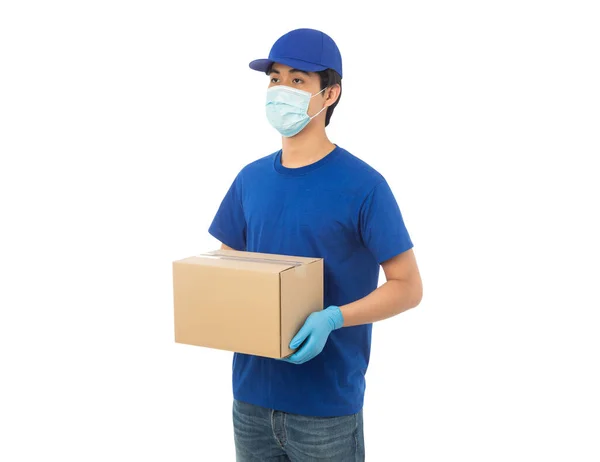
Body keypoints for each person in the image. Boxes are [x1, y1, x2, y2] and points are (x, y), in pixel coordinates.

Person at [209, 28, 423, 462]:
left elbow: (408, 286)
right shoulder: (250, 179)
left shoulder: (364, 186)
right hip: (249, 398)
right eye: (274, 78)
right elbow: (227, 264)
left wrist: (334, 318)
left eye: (297, 80)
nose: (280, 90)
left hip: (326, 409)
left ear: (330, 94)